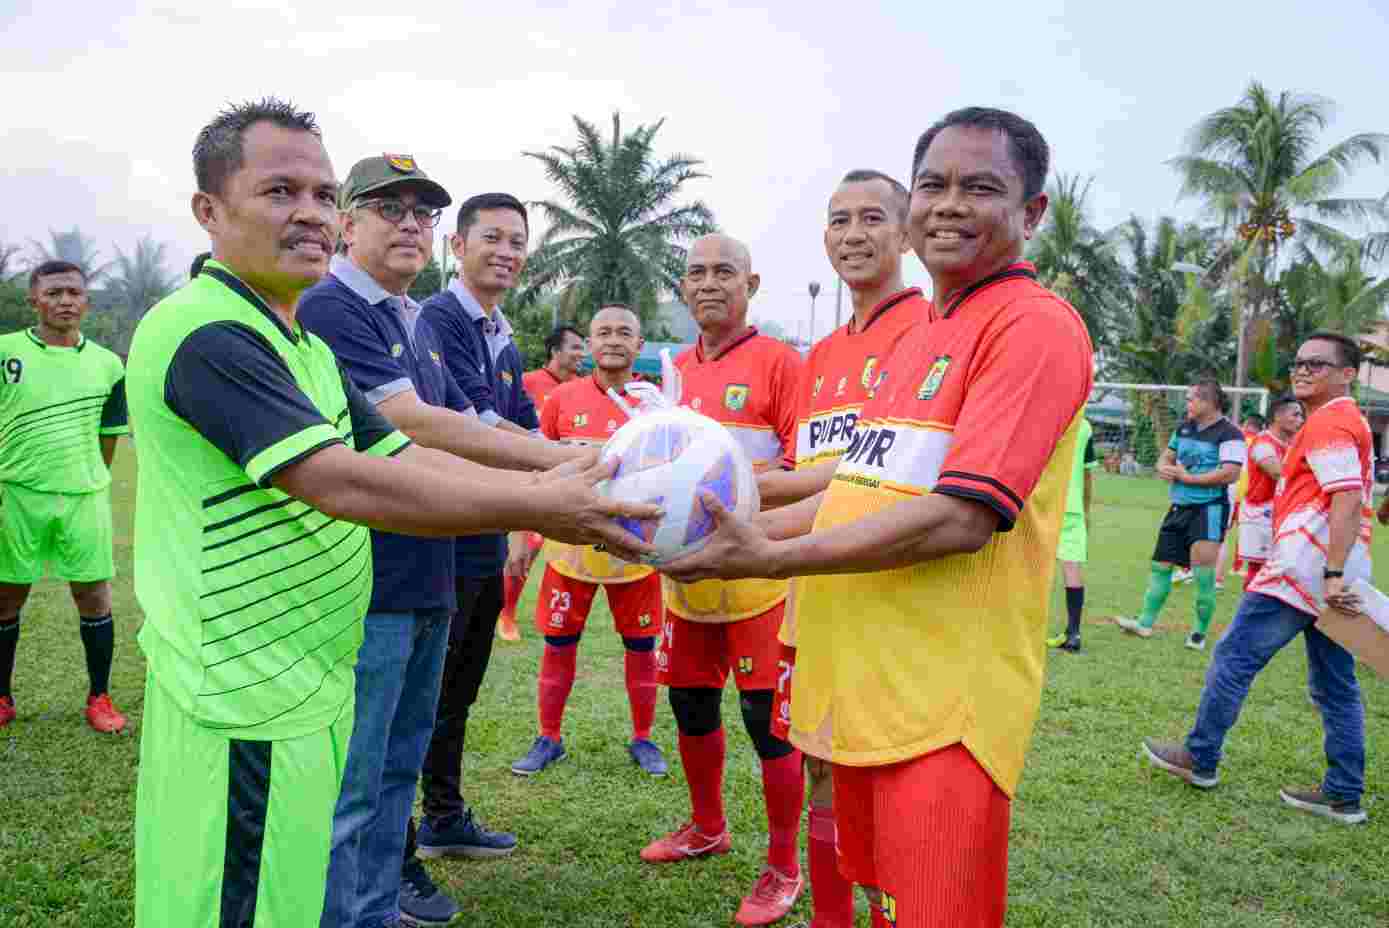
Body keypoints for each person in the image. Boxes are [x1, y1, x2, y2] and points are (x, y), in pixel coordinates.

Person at [128, 98, 657, 928]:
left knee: (302, 883)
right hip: (240, 698)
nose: (307, 213)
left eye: (319, 193)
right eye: (277, 192)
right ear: (208, 210)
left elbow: (408, 455)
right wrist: (546, 504)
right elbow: (342, 481)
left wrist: (577, 469)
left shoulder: (299, 340)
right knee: (240, 897)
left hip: (302, 684)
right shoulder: (205, 331)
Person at [661, 106, 1093, 928]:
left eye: (981, 188)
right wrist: (728, 544)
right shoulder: (927, 331)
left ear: (1031, 212)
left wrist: (765, 558)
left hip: (940, 711)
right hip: (863, 680)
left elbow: (959, 519)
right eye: (933, 184)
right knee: (864, 891)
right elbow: (850, 491)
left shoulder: (1031, 325)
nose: (948, 204)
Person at [299, 154, 586, 928]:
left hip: (432, 568)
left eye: (420, 213)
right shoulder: (332, 308)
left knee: (397, 770)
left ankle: (375, 908)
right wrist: (564, 480)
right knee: (358, 783)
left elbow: (481, 426)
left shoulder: (408, 318)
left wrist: (582, 463)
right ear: (345, 222)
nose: (407, 224)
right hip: (376, 577)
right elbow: (416, 425)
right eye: (387, 208)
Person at [757, 168, 924, 928]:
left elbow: (880, 482)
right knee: (820, 768)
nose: (852, 235)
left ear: (907, 231)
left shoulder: (928, 335)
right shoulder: (819, 356)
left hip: (892, 604)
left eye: (870, 219)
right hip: (812, 595)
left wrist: (746, 522)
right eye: (837, 220)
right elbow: (807, 475)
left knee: (886, 783)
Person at [640, 233, 807, 927]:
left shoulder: (781, 364)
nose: (709, 283)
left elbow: (804, 474)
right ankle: (706, 827)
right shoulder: (672, 371)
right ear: (682, 287)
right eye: (696, 272)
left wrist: (734, 496)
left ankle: (783, 866)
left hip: (759, 583)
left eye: (725, 272)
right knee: (691, 709)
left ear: (752, 283)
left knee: (766, 726)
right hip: (686, 586)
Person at [1141, 333, 1372, 826]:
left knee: (1235, 655)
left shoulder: (1333, 421)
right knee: (1335, 684)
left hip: (1305, 569)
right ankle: (1344, 794)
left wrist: (1330, 572)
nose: (1303, 370)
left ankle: (1200, 758)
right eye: (1300, 362)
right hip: (1326, 569)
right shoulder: (1340, 420)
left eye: (1318, 364)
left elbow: (1347, 498)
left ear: (1348, 374)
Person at [408, 192, 543, 861]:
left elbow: (526, 420)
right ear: (455, 246)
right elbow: (476, 426)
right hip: (442, 535)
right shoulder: (437, 320)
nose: (506, 251)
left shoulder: (501, 333)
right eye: (491, 237)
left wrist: (527, 517)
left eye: (517, 240)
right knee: (422, 695)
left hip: (485, 536)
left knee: (459, 687)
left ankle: (443, 814)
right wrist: (575, 465)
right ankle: (398, 840)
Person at [510, 306, 667, 777]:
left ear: (640, 345)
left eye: (624, 332)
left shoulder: (656, 405)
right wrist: (521, 533)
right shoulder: (561, 400)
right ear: (589, 345)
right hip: (569, 551)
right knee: (558, 643)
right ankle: (549, 738)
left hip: (634, 554)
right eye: (603, 333)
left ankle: (643, 738)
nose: (613, 340)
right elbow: (534, 471)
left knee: (641, 647)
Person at [0, 260, 130, 733]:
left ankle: (99, 697)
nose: (65, 301)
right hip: (16, 494)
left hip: (83, 496)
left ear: (86, 301)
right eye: (53, 293)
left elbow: (110, 433)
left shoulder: (108, 364)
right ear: (34, 299)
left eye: (74, 293)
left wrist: (89, 475)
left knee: (95, 596)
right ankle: (2, 697)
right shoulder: (5, 353)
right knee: (6, 596)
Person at [1114, 379, 1245, 650]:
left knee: (1202, 573)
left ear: (1209, 402)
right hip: (1178, 508)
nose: (1187, 404)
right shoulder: (1184, 428)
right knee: (1160, 566)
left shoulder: (1230, 433)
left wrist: (1189, 478)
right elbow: (1166, 457)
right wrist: (1165, 468)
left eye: (1191, 399)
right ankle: (1145, 623)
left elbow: (1231, 473)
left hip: (1208, 510)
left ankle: (1198, 633)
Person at [499, 324, 588, 642]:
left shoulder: (584, 389)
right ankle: (507, 614)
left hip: (570, 487)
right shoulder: (528, 383)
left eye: (583, 348)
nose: (582, 354)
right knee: (528, 546)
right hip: (528, 481)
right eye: (575, 347)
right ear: (555, 351)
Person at [1235, 397, 1303, 588]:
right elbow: (1278, 472)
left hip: (1282, 513)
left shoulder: (1291, 443)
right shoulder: (1263, 443)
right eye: (1295, 414)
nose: (1300, 420)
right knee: (1259, 570)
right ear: (1277, 416)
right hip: (1260, 514)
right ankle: (1248, 613)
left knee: (1282, 569)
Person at [1045, 416, 1097, 653]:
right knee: (1072, 568)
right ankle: (1074, 633)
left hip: (1042, 505)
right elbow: (1087, 476)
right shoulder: (1084, 426)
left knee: (1032, 566)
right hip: (1072, 508)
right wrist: (1085, 511)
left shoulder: (1044, 417)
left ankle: (1025, 628)